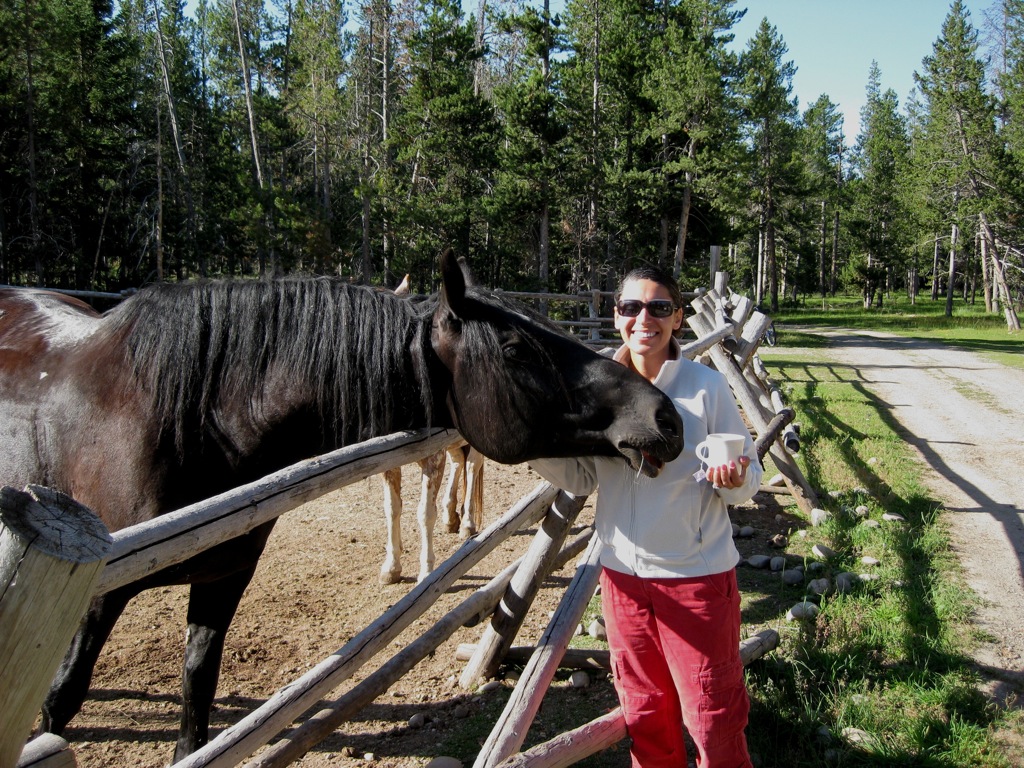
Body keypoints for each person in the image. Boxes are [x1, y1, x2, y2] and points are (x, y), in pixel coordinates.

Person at [529, 264, 761, 768]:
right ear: (616, 316)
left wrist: (735, 478)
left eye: (659, 308)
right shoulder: (600, 387)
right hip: (623, 579)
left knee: (712, 715)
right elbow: (585, 477)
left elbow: (749, 482)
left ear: (678, 317)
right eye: (631, 307)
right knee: (646, 710)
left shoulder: (706, 388)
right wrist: (528, 446)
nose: (644, 319)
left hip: (695, 579)